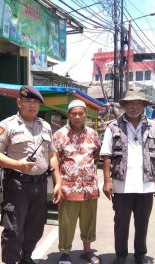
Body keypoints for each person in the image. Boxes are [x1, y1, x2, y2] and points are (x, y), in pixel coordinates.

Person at [0, 85, 62, 264]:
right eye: (28, 101)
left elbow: (51, 154)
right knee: (13, 228)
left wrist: (57, 181)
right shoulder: (7, 125)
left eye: (36, 102)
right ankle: (11, 261)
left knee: (35, 227)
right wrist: (18, 165)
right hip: (17, 184)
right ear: (19, 102)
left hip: (40, 184)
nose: (32, 105)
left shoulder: (44, 126)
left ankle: (26, 257)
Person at [100, 86, 155, 264]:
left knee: (142, 222)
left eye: (138, 103)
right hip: (121, 184)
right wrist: (107, 181)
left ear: (143, 105)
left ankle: (140, 254)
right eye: (130, 103)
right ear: (124, 105)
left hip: (146, 184)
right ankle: (120, 255)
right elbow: (106, 155)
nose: (134, 107)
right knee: (121, 223)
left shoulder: (153, 126)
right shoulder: (113, 126)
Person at [52, 100, 101, 264]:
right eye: (74, 113)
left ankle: (87, 251)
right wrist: (58, 183)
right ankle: (65, 253)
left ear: (86, 114)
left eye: (81, 113)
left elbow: (95, 156)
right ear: (68, 115)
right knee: (67, 222)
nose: (78, 117)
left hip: (89, 188)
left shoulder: (93, 134)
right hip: (68, 188)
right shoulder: (59, 135)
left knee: (89, 221)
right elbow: (55, 161)